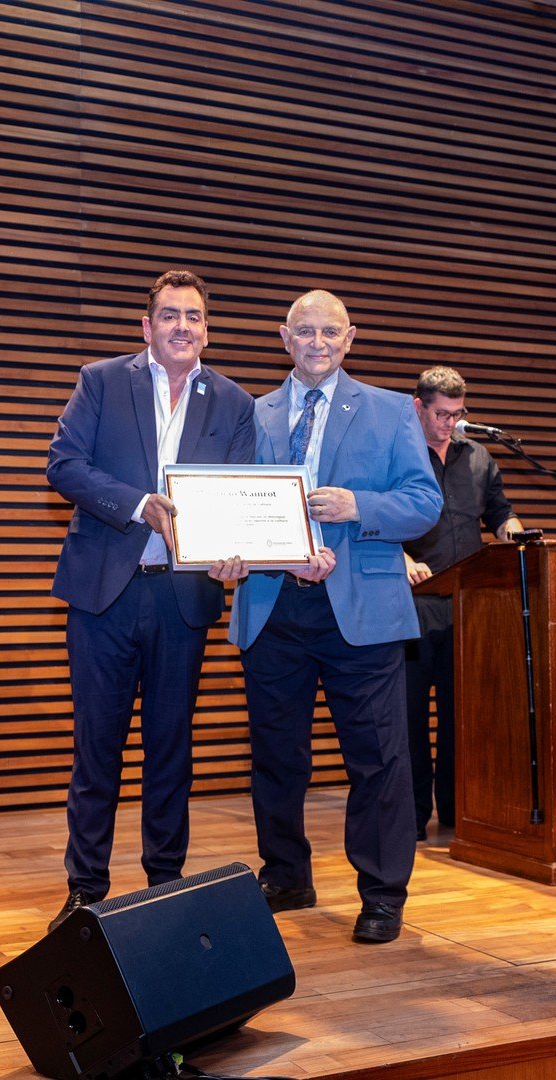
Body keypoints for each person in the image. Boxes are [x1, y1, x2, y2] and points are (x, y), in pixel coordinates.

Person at [229, 290, 443, 944]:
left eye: (330, 332)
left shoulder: (389, 410)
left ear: (349, 339)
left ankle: (383, 893)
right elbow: (236, 504)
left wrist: (358, 505)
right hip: (273, 604)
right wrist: (247, 554)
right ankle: (286, 872)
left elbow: (424, 503)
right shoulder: (253, 413)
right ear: (284, 338)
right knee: (275, 755)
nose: (317, 342)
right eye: (304, 332)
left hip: (364, 610)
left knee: (378, 757)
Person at [46, 269, 255, 932]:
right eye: (170, 315)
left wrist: (235, 555)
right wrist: (138, 505)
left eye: (194, 317)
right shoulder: (101, 381)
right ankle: (87, 888)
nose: (182, 327)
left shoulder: (235, 403)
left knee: (171, 747)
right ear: (147, 326)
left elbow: (244, 497)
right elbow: (65, 465)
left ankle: (166, 883)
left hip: (182, 598)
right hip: (104, 594)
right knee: (96, 747)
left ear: (206, 329)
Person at [404, 366, 523, 842]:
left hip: (467, 607)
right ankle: (410, 817)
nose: (449, 423)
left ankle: (458, 812)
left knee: (461, 715)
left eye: (457, 414)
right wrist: (401, 555)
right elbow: (376, 519)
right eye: (440, 414)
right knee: (410, 716)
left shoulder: (478, 457)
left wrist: (511, 530)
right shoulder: (400, 456)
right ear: (418, 407)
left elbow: (500, 511)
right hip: (413, 604)